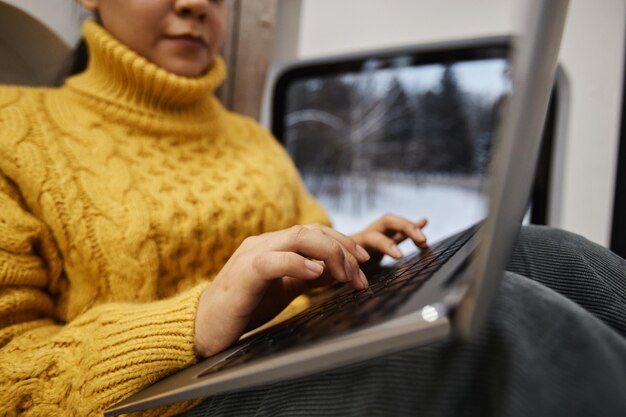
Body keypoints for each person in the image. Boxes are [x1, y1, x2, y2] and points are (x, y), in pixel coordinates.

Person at [0, 1, 624, 416]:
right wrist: (199, 319)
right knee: (498, 320)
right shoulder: (15, 128)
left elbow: (305, 253)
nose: (196, 2)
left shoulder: (250, 139)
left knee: (527, 249)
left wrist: (348, 254)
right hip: (170, 405)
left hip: (289, 354)